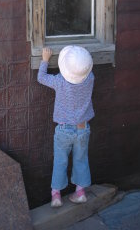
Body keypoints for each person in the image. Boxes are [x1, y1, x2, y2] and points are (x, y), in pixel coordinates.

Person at [37, 45, 95, 208]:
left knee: (60, 162)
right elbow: (84, 69)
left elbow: (41, 77)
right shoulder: (90, 79)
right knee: (81, 160)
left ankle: (56, 196)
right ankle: (81, 193)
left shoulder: (59, 81)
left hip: (63, 130)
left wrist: (45, 60)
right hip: (83, 128)